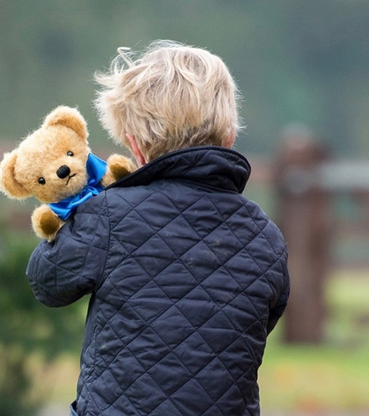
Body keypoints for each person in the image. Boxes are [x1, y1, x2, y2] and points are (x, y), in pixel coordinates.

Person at [26, 40, 290, 416]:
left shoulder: (107, 215)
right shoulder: (267, 237)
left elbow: (47, 283)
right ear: (229, 137)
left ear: (134, 144)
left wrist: (76, 208)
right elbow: (262, 321)